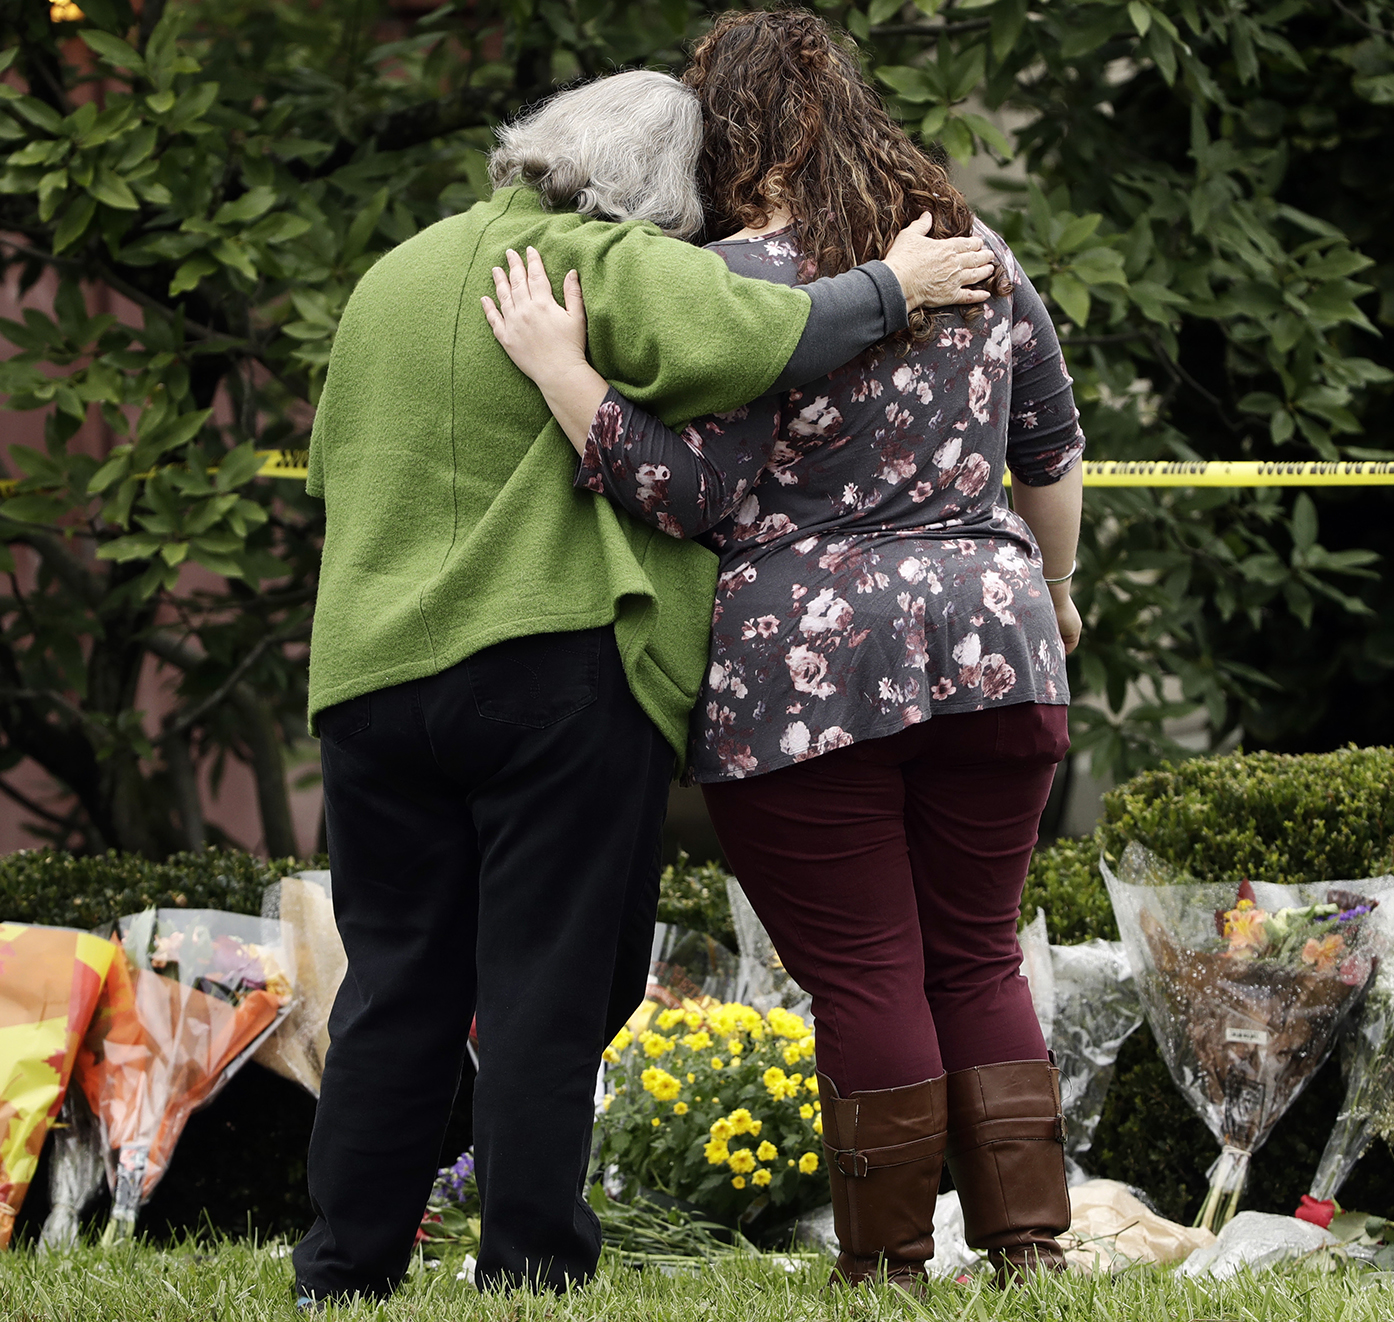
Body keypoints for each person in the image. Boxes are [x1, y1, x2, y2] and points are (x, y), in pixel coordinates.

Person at [295, 68, 997, 1305]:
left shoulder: (390, 278)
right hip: (546, 665)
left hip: (373, 678)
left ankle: (344, 1269)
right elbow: (768, 330)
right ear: (660, 188)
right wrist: (899, 283)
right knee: (548, 984)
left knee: (395, 979)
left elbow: (327, 471)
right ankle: (528, 1267)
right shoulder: (603, 260)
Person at [481, 13, 1087, 1294]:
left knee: (867, 969)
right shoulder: (972, 248)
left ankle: (889, 1266)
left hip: (808, 670)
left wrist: (561, 373)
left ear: (726, 136)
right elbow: (1050, 442)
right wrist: (1056, 590)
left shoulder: (739, 283)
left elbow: (685, 489)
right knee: (977, 951)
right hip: (998, 639)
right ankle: (1029, 1245)